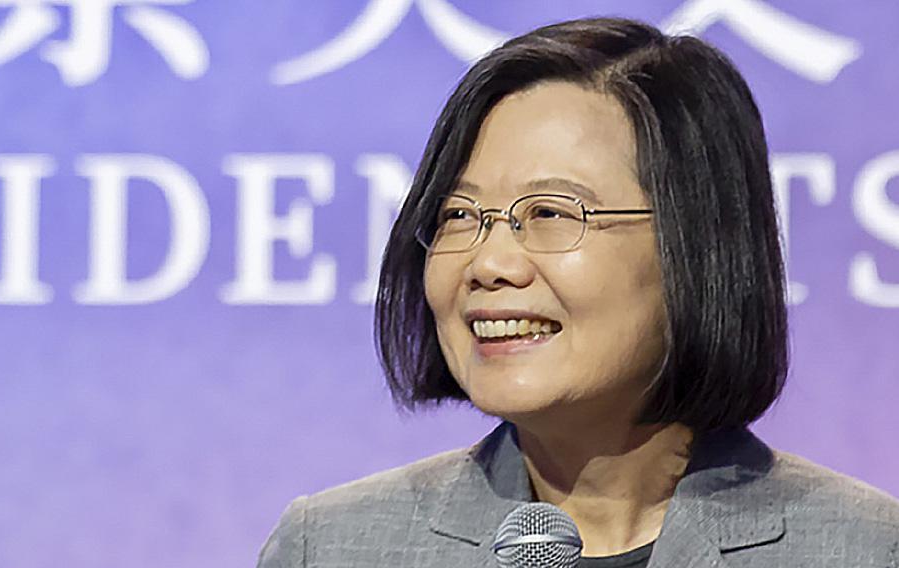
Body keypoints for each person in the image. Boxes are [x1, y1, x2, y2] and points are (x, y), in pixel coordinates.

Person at [257, 17, 899, 568]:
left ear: (696, 242)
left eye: (551, 213)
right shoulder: (337, 547)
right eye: (459, 216)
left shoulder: (859, 548)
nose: (488, 263)